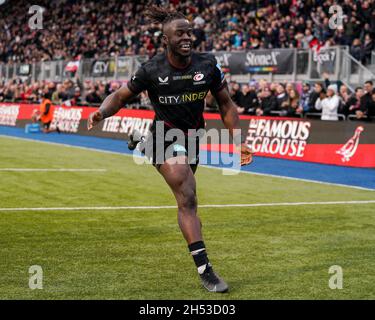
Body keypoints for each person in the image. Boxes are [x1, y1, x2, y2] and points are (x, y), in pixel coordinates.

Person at [87, 6, 253, 294]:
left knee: (188, 198)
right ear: (166, 39)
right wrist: (101, 112)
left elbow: (225, 104)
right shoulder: (152, 69)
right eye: (180, 34)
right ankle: (206, 270)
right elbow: (121, 96)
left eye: (190, 32)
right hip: (166, 136)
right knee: (187, 197)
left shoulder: (208, 65)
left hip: (193, 138)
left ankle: (140, 143)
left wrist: (237, 141)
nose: (187, 37)